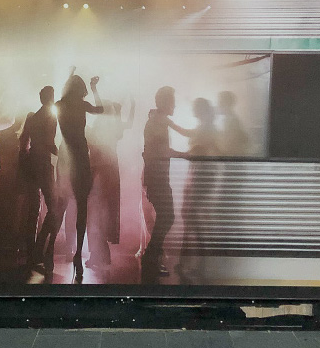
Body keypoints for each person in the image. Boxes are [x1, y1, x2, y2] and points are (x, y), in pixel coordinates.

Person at [55, 71, 104, 280]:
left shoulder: (59, 105)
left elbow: (62, 95)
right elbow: (100, 109)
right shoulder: (82, 105)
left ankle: (49, 252)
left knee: (60, 204)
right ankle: (76, 254)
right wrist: (94, 89)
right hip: (80, 155)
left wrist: (68, 75)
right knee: (82, 205)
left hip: (65, 156)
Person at [141, 86, 188, 275]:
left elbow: (182, 132)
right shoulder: (158, 122)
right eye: (172, 101)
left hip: (157, 176)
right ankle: (150, 258)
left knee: (165, 217)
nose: (175, 105)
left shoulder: (159, 120)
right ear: (165, 102)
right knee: (167, 217)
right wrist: (187, 155)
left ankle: (151, 258)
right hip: (157, 177)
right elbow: (162, 151)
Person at [87, 97, 135, 268]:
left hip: (99, 173)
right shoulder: (112, 129)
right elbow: (128, 123)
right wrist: (133, 103)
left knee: (96, 213)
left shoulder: (100, 130)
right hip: (108, 173)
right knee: (103, 213)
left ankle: (99, 254)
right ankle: (100, 254)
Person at [178, 98, 220, 279]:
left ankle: (195, 260)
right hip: (198, 173)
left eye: (195, 108)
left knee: (190, 217)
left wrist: (177, 153)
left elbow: (198, 150)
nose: (192, 110)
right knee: (189, 216)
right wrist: (169, 123)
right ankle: (189, 260)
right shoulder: (205, 126)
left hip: (201, 174)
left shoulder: (207, 128)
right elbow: (189, 133)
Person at [18, 86, 59, 267]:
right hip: (42, 163)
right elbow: (50, 143)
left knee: (34, 209)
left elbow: (23, 142)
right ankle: (40, 247)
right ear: (50, 98)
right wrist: (63, 154)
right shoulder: (50, 117)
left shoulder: (32, 117)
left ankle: (31, 251)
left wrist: (24, 160)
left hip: (31, 164)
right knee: (53, 207)